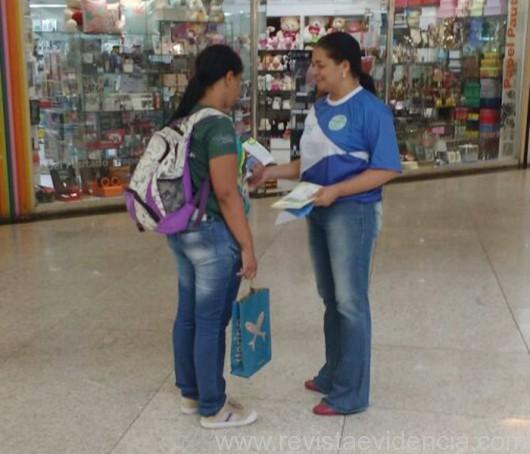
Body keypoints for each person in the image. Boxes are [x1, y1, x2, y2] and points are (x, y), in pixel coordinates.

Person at [251, 32, 401, 415]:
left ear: (344, 66)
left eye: (319, 64)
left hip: (354, 213)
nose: (313, 72)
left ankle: (351, 392)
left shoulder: (372, 110)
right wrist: (270, 172)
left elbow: (386, 169)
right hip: (316, 209)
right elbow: (307, 164)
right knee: (330, 298)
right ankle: (333, 372)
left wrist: (339, 191)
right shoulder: (318, 110)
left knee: (351, 302)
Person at [166, 44, 258, 429]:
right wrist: (248, 246)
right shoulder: (217, 124)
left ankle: (191, 394)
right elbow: (225, 193)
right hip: (211, 236)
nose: (238, 93)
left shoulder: (182, 119)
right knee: (210, 322)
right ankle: (213, 407)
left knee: (188, 315)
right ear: (228, 78)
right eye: (239, 84)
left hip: (181, 230)